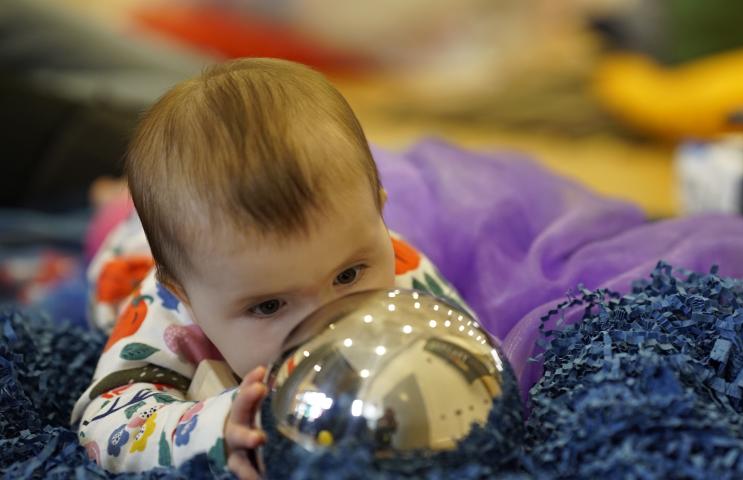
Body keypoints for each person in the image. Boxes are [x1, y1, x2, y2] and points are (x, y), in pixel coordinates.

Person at [71, 57, 469, 479]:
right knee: (112, 228)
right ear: (185, 297)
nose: (327, 325)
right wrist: (215, 429)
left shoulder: (399, 266)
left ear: (381, 216)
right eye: (268, 306)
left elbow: (462, 348)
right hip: (130, 257)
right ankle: (117, 202)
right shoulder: (169, 319)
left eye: (348, 276)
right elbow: (103, 424)